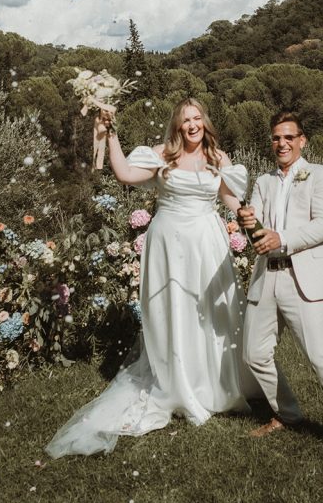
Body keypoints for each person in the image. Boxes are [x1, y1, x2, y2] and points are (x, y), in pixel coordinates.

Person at [46, 98, 252, 457]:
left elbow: (233, 202)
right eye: (185, 119)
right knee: (174, 311)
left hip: (206, 244)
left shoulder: (219, 158)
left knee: (211, 312)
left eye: (197, 118)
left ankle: (215, 384)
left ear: (205, 121)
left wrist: (257, 221)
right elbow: (125, 174)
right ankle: (176, 383)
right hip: (169, 246)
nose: (192, 125)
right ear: (176, 124)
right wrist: (111, 134)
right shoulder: (162, 155)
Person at [239, 110, 323, 465]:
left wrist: (282, 238)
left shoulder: (319, 174)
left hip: (304, 280)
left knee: (320, 356)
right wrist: (248, 225)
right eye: (275, 138)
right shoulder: (263, 181)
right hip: (266, 276)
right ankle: (288, 414)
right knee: (253, 353)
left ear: (302, 141)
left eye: (288, 137)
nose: (281, 143)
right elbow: (258, 235)